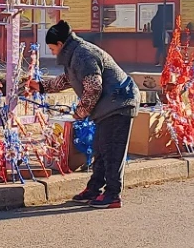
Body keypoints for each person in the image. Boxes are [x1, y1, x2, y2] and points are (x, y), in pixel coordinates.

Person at [27, 20, 140, 209]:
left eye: (52, 48)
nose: (52, 52)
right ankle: (94, 188)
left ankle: (113, 195)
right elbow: (68, 79)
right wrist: (41, 87)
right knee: (100, 150)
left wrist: (80, 112)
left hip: (119, 104)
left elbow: (94, 88)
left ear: (61, 44)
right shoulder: (74, 55)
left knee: (112, 152)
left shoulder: (83, 55)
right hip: (109, 106)